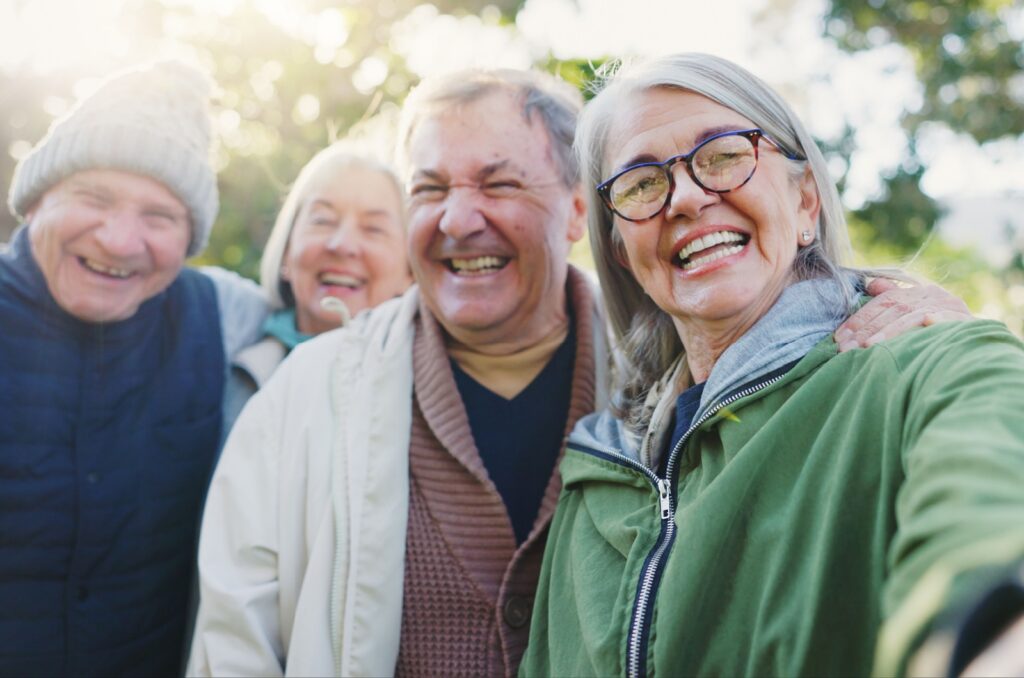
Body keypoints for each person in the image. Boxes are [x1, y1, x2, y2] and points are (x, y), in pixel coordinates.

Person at [187, 67, 974, 678]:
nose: (459, 219)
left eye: (498, 183)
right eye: (429, 190)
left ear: (575, 212)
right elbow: (234, 644)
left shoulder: (671, 382)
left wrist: (901, 304)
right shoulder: (309, 394)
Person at [519, 53, 1024, 678]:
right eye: (642, 183)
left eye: (725, 154)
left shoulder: (928, 366)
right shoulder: (596, 474)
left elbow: (992, 518)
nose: (686, 198)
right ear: (622, 252)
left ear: (805, 200)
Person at [0, 61, 266, 676]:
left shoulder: (223, 316)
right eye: (94, 198)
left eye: (159, 216)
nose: (120, 240)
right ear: (37, 198)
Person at [223, 142, 411, 428]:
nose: (342, 244)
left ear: (409, 272)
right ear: (287, 250)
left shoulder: (429, 386)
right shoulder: (229, 375)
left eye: (374, 228)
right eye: (322, 220)